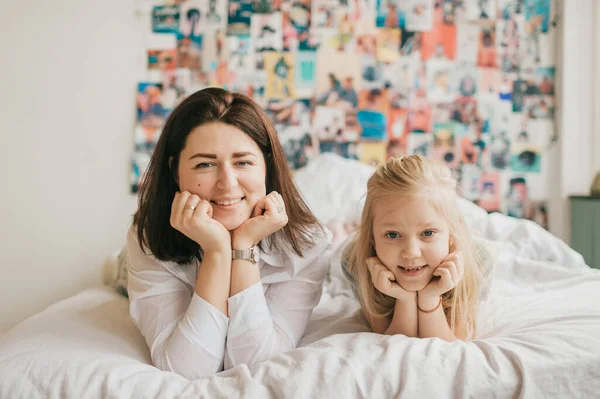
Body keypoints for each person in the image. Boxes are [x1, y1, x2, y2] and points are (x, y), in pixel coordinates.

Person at [127, 87, 332, 379]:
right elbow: (187, 369)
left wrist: (243, 246)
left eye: (243, 162)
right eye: (205, 164)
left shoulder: (309, 243)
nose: (227, 183)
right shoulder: (146, 237)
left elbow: (256, 365)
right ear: (175, 172)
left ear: (266, 165)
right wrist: (218, 252)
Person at [341, 155, 488, 341]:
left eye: (427, 233)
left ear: (451, 233)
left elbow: (451, 345)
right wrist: (405, 300)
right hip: (352, 243)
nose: (411, 252)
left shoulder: (480, 261)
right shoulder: (353, 260)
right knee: (340, 234)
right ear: (371, 237)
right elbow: (393, 342)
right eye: (393, 234)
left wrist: (430, 298)